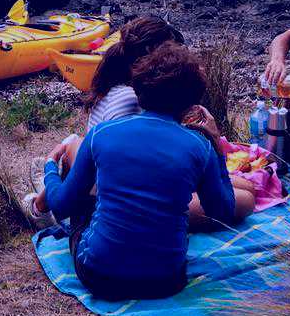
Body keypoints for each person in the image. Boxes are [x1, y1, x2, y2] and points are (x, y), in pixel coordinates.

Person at [42, 43, 251, 300]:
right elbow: (222, 211)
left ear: (139, 90)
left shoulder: (102, 133)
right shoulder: (200, 147)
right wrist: (217, 146)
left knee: (85, 202)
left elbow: (61, 206)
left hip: (99, 276)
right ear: (191, 102)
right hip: (166, 281)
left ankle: (40, 207)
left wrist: (50, 167)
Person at [23, 15, 184, 226]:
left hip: (114, 182)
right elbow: (128, 167)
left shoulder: (119, 84)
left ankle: (46, 190)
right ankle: (43, 201)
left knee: (74, 142)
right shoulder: (131, 99)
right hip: (117, 194)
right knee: (74, 144)